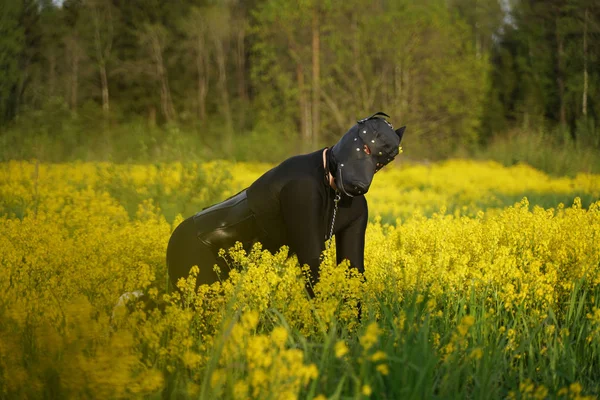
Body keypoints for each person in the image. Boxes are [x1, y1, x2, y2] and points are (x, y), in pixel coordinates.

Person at [166, 112, 405, 297]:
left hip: (243, 266)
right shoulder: (303, 183)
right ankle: (134, 305)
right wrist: (331, 326)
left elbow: (353, 277)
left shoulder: (356, 208)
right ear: (354, 140)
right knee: (197, 322)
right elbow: (312, 267)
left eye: (379, 162)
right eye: (366, 151)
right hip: (201, 243)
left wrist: (355, 331)